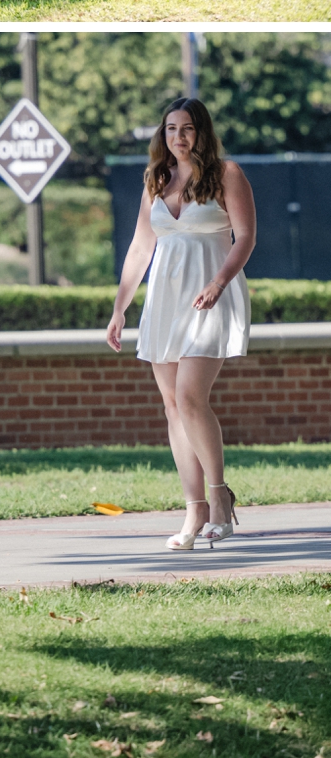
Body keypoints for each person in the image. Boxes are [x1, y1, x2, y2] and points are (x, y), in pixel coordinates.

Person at [105, 98, 256, 552]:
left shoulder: (227, 174)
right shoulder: (157, 179)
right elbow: (139, 248)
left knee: (191, 398)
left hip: (211, 297)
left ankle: (218, 498)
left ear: (202, 132)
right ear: (162, 135)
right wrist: (119, 308)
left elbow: (246, 237)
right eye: (171, 129)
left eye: (188, 128)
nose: (179, 137)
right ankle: (193, 510)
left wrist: (218, 282)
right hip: (166, 302)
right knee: (173, 406)